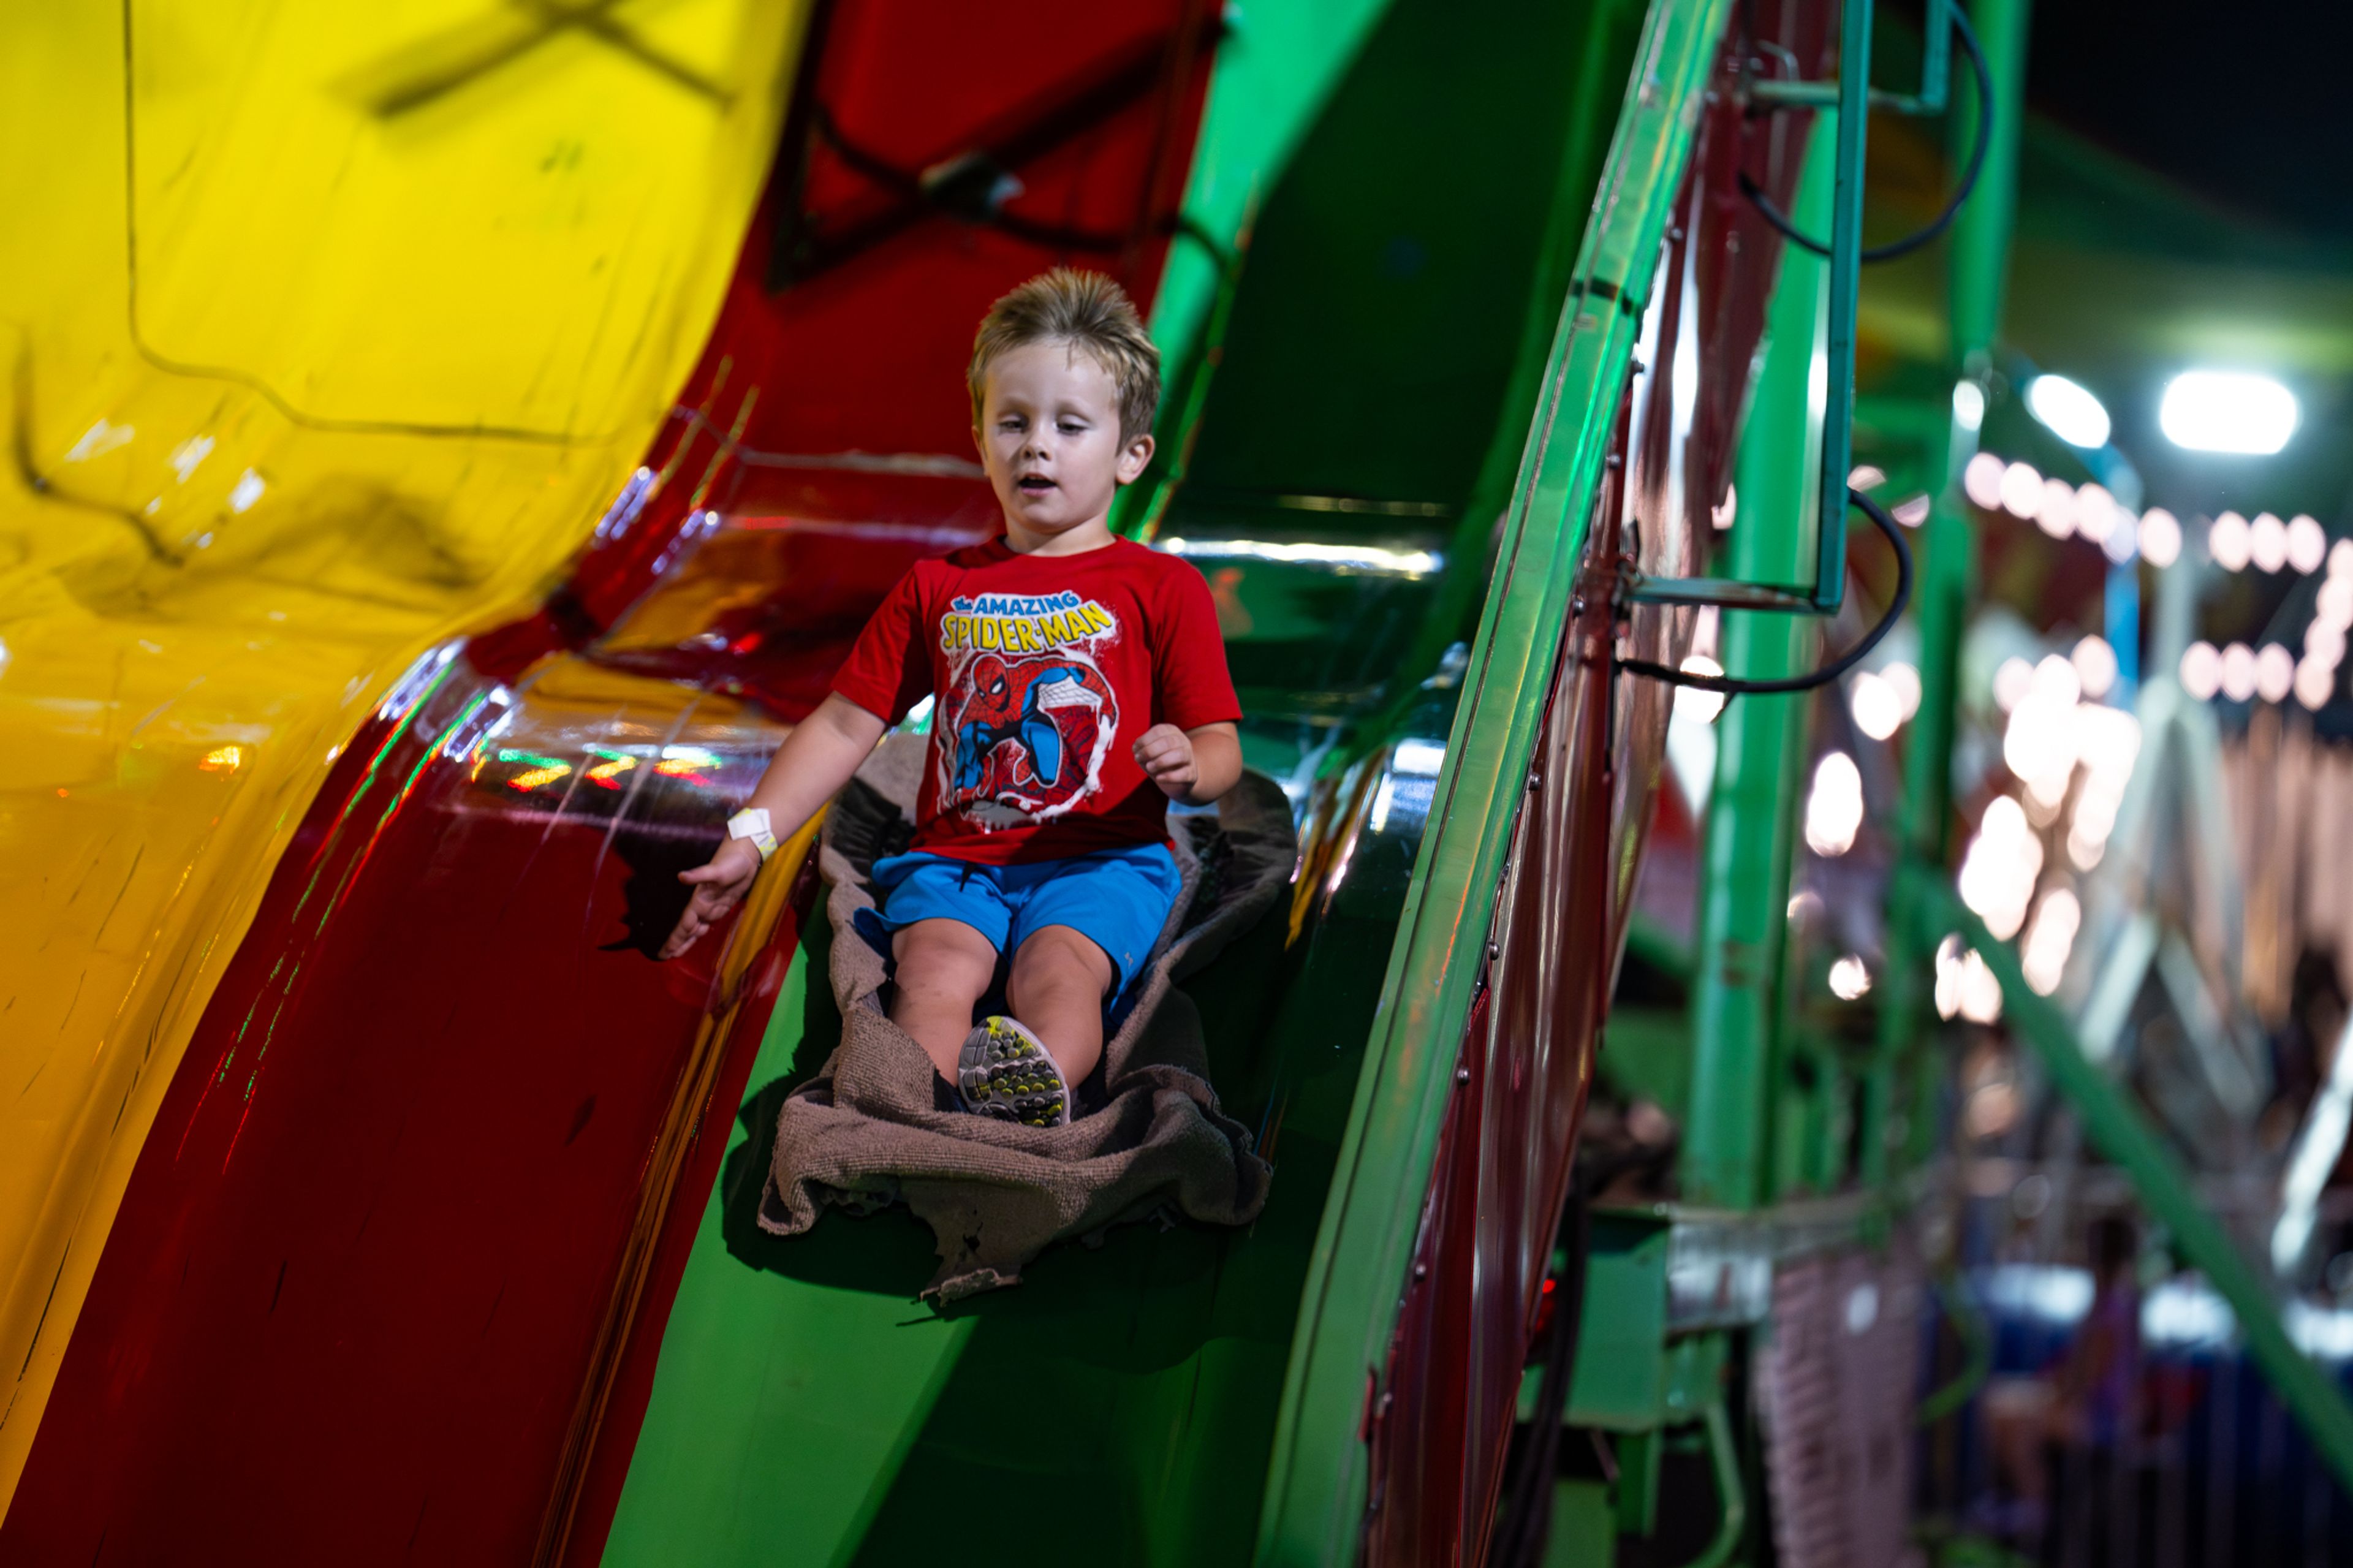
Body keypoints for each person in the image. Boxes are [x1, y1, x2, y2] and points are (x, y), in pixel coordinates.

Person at [659, 269, 1243, 1129]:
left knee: (1059, 970)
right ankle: (926, 1106)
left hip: (1101, 858)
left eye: (1069, 426)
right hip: (955, 860)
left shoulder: (1162, 587)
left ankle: (1037, 1081)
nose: (1035, 446)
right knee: (932, 969)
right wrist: (753, 834)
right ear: (979, 438)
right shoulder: (940, 585)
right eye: (1013, 422)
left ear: (1131, 455)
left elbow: (1221, 747)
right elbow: (846, 722)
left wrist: (1189, 767)